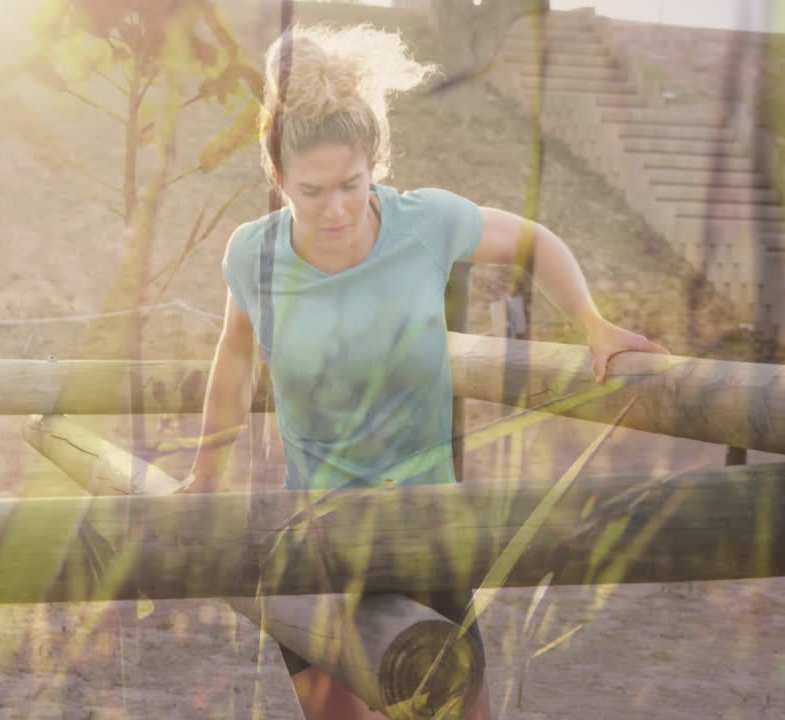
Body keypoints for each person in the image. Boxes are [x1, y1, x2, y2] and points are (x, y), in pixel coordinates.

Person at [184, 24, 669, 720]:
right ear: (278, 177)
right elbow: (234, 352)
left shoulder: (426, 224)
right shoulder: (252, 256)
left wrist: (594, 326)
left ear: (376, 163)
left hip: (425, 528)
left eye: (352, 183)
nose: (337, 208)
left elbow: (535, 240)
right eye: (312, 191)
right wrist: (207, 469)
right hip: (314, 538)